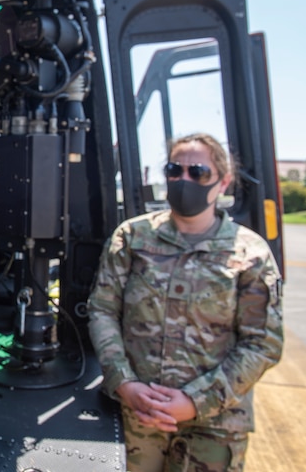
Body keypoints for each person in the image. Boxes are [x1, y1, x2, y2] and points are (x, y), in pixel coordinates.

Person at [88, 133, 283, 472]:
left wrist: (195, 401)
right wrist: (125, 383)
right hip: (139, 412)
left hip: (215, 423)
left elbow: (263, 343)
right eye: (174, 170)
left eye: (198, 172)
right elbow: (103, 310)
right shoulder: (132, 237)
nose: (184, 179)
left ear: (223, 182)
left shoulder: (250, 253)